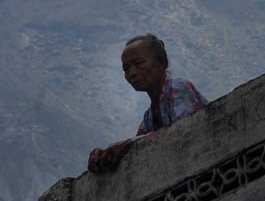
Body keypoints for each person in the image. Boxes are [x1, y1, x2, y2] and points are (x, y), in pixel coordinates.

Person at [87, 34, 207, 173]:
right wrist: (105, 154)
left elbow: (183, 130)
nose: (131, 73)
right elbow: (136, 143)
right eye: (126, 68)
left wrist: (127, 144)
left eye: (138, 63)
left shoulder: (179, 88)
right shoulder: (148, 117)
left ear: (162, 63)